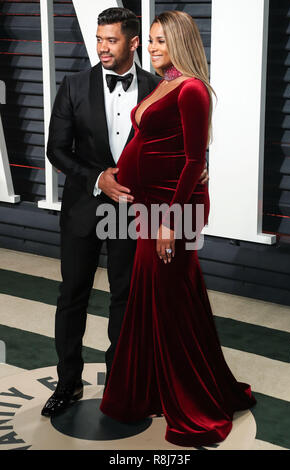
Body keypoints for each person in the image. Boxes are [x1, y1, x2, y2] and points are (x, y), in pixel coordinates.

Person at [40, 7, 210, 417]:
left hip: (134, 212)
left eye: (111, 40)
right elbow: (56, 150)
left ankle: (121, 383)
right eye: (99, 39)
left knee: (126, 298)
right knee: (72, 296)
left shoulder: (162, 87)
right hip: (85, 208)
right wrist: (99, 178)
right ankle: (67, 384)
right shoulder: (74, 85)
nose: (102, 47)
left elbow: (181, 149)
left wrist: (197, 175)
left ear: (133, 43)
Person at [99, 11, 257, 447]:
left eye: (161, 41)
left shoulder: (191, 90)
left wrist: (171, 219)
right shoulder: (166, 83)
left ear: (181, 42)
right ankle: (152, 390)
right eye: (149, 40)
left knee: (171, 304)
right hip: (150, 207)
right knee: (159, 300)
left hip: (173, 213)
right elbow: (151, 141)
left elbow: (193, 160)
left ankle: (195, 402)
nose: (151, 47)